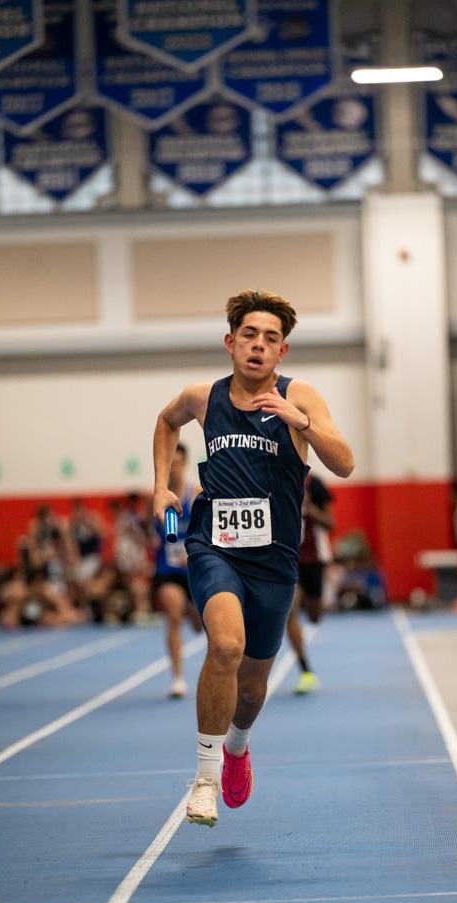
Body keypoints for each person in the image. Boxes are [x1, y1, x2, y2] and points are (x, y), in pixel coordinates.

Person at [153, 289, 354, 826]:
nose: (258, 345)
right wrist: (161, 486)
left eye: (270, 338)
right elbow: (166, 422)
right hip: (213, 547)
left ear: (282, 351)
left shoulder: (300, 395)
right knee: (225, 645)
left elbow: (345, 463)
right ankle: (204, 779)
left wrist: (300, 421)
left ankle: (237, 746)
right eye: (249, 335)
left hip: (275, 560)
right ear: (230, 342)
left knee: (252, 686)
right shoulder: (203, 397)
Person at [151, 442, 202, 699]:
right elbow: (153, 531)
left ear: (184, 465)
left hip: (194, 566)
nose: (173, 470)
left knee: (199, 626)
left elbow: (207, 530)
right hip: (168, 568)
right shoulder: (156, 497)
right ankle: (178, 678)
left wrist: (192, 552)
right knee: (173, 614)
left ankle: (193, 608)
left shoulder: (196, 493)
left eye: (178, 464)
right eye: (169, 465)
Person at [285, 472, 334, 693]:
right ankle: (305, 670)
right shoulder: (276, 478)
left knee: (315, 615)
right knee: (290, 609)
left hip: (314, 560)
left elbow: (330, 523)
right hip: (289, 559)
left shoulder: (314, 483)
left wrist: (309, 507)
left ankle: (307, 603)